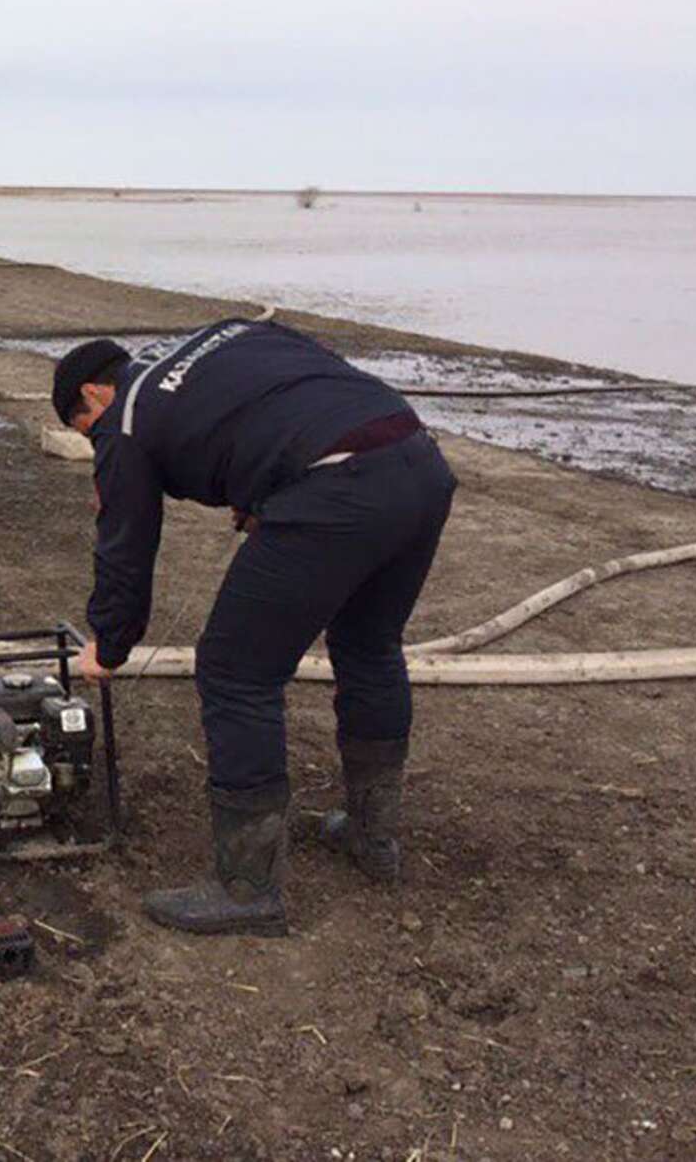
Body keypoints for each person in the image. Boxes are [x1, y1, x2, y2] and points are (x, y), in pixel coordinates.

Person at [52, 320, 457, 936]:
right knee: (369, 645)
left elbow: (126, 542)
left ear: (93, 396)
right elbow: (298, 385)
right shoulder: (223, 335)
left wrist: (109, 643)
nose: (93, 443)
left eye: (83, 431)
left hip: (340, 484)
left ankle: (246, 888)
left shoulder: (125, 417)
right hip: (418, 462)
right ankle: (374, 841)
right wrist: (272, 486)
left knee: (235, 670)